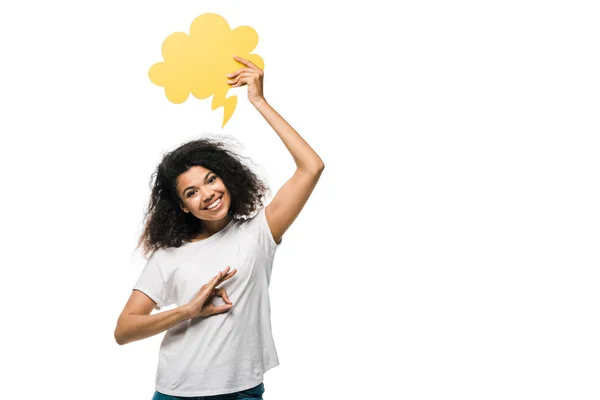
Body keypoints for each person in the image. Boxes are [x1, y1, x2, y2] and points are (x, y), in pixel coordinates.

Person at [114, 56, 325, 399]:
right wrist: (186, 310)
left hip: (241, 391)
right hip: (176, 392)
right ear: (182, 206)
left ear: (226, 178)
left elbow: (311, 167)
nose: (207, 194)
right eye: (191, 192)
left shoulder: (259, 233)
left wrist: (259, 101)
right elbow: (124, 330)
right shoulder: (169, 256)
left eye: (211, 179)